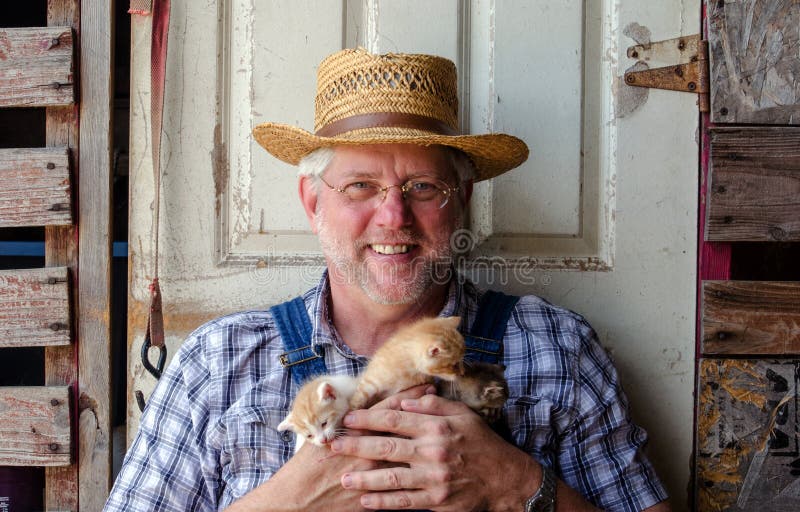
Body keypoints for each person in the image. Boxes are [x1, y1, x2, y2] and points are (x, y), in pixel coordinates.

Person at [105, 48, 670, 512]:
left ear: (463, 200)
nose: (394, 217)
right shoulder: (219, 362)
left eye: (423, 187)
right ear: (311, 201)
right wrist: (293, 497)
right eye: (359, 187)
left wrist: (514, 481)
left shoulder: (557, 348)